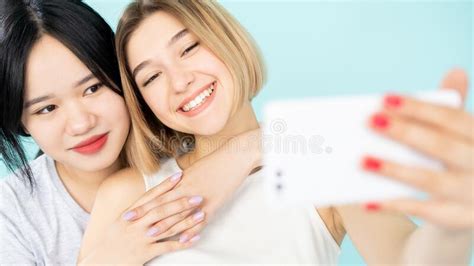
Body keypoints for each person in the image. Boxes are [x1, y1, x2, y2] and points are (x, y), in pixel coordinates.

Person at [81, 0, 473, 264]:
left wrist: (456, 222)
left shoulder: (324, 162)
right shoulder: (131, 192)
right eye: (151, 77)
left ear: (225, 39)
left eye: (189, 48)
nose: (179, 81)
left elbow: (408, 257)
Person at [0, 0, 262, 264]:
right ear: (20, 122)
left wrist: (248, 149)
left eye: (92, 88)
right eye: (46, 109)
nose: (81, 124)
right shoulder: (11, 214)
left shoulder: (193, 138)